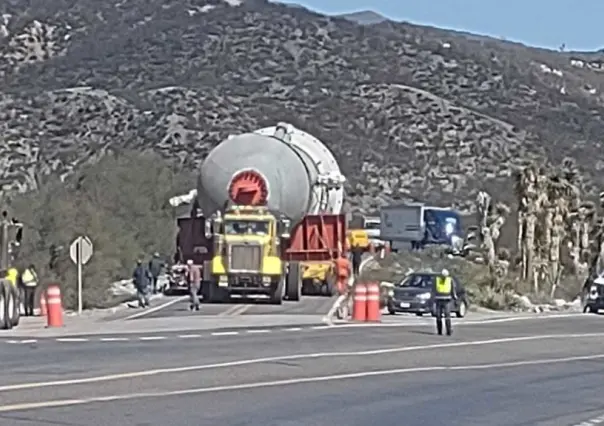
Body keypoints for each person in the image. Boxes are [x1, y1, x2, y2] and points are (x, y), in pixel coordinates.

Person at [323, 251, 352, 325]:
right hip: (344, 279)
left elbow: (333, 267)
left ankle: (341, 314)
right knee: (343, 299)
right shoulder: (347, 262)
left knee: (341, 297)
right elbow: (350, 271)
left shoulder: (338, 261)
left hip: (339, 279)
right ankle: (341, 314)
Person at [433, 268, 457, 336]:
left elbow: (453, 289)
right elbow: (434, 289)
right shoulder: (437, 280)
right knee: (438, 316)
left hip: (447, 300)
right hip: (438, 299)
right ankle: (439, 331)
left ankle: (448, 331)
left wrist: (454, 297)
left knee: (447, 315)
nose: (444, 277)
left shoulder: (450, 280)